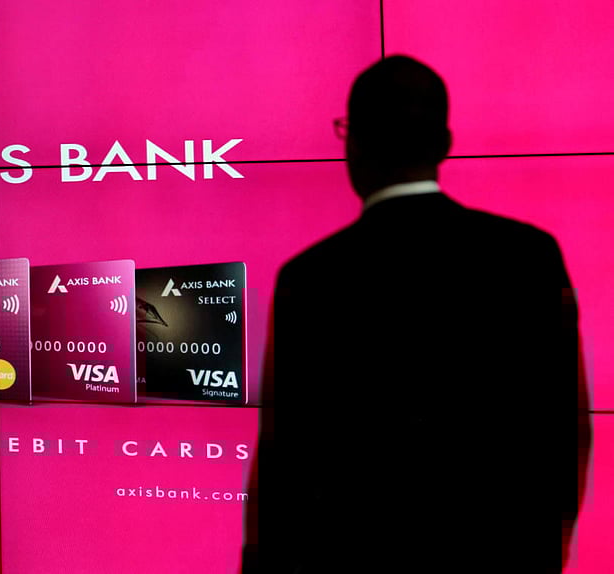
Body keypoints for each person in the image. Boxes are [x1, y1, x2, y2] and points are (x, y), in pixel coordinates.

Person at [246, 55, 590, 573]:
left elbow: (285, 461)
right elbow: (568, 426)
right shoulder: (531, 254)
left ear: (353, 143)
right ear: (444, 144)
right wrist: (544, 552)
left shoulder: (311, 276)